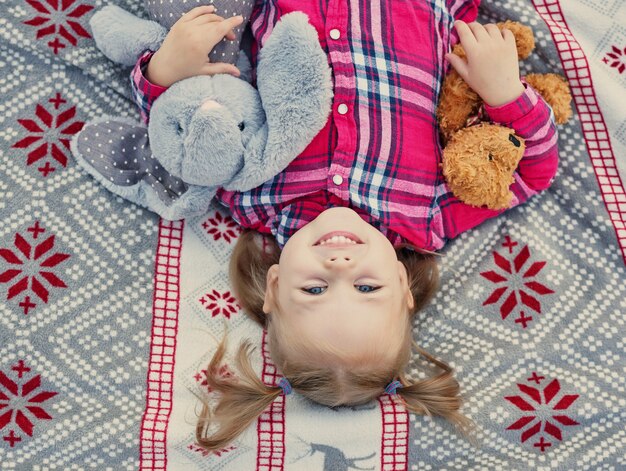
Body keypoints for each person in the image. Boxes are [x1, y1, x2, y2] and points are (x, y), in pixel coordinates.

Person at [130, 0, 558, 451]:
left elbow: (179, 134)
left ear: (274, 286)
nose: (340, 265)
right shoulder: (428, 217)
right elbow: (532, 173)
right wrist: (506, 93)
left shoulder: (250, 198)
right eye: (367, 288)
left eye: (314, 290)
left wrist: (162, 73)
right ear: (401, 284)